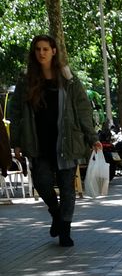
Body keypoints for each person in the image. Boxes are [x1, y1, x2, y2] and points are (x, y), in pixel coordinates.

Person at [7, 34, 102, 247]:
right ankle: (55, 213)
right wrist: (17, 141)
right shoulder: (26, 79)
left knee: (68, 189)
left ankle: (65, 231)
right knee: (41, 183)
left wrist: (92, 137)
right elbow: (15, 112)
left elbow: (83, 109)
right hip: (37, 142)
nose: (41, 53)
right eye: (38, 49)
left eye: (45, 49)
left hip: (66, 141)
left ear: (54, 51)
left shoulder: (68, 78)